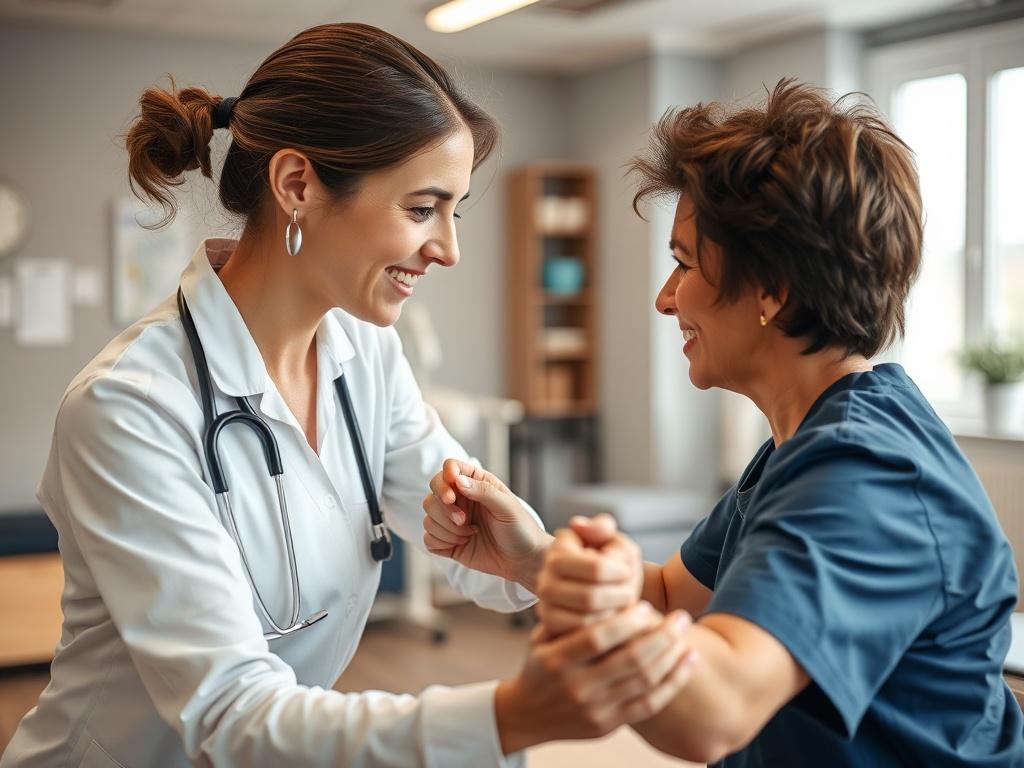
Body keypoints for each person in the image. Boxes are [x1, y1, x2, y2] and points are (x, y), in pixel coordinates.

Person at [0, 23, 696, 768]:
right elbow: (232, 713)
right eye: (422, 208)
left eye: (454, 212)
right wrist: (509, 716)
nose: (449, 249)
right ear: (297, 184)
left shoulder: (365, 354)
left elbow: (467, 544)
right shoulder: (129, 408)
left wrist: (539, 562)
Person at [426, 80, 1024, 766]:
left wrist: (592, 613)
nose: (663, 298)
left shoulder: (868, 473)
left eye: (683, 264)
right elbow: (672, 596)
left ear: (774, 287)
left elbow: (713, 714)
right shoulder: (803, 443)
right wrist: (534, 555)